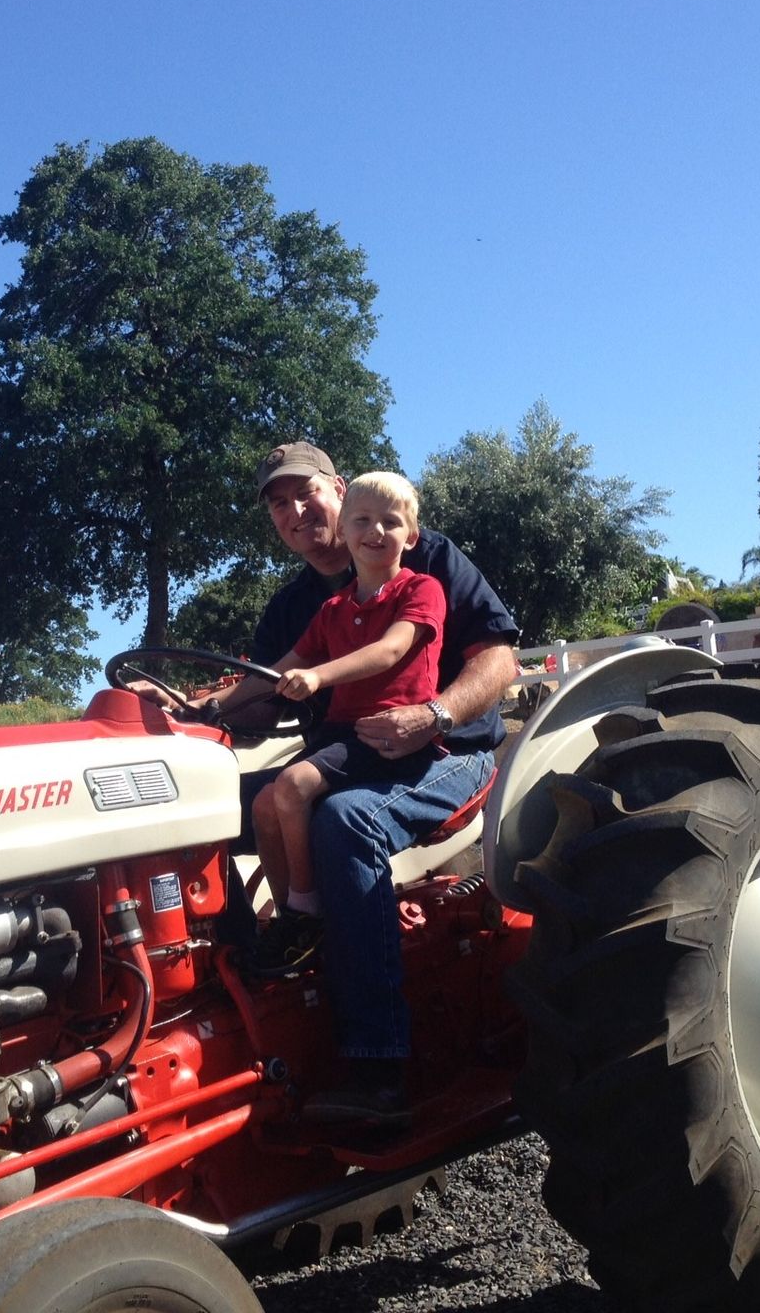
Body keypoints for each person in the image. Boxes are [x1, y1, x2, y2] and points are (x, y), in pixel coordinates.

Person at [248, 442, 519, 1124]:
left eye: (306, 492)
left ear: (340, 492)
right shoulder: (295, 608)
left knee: (345, 819)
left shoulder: (425, 562)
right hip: (351, 757)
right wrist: (194, 705)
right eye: (279, 504)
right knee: (239, 807)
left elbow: (498, 660)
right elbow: (262, 694)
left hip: (445, 753)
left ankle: (377, 1064)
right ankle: (267, 987)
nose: (295, 511)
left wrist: (435, 714)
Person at [246, 472, 447, 979]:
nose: (374, 531)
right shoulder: (332, 608)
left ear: (412, 537)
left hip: (390, 732)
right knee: (263, 804)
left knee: (291, 785)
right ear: (346, 527)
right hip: (344, 733)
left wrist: (317, 675)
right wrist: (198, 702)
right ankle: (285, 920)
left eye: (390, 522)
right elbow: (276, 669)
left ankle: (306, 910)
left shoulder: (422, 588)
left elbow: (391, 650)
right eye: (362, 520)